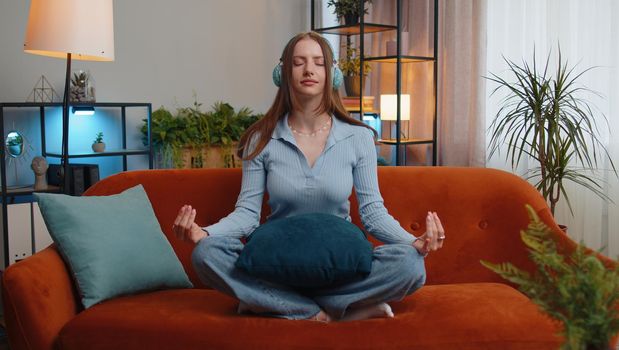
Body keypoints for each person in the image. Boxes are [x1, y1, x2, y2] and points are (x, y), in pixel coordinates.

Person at [172, 31, 445, 323]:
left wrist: (413, 242)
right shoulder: (260, 138)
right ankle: (320, 311)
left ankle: (277, 303)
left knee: (411, 266)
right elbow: (247, 215)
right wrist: (206, 233)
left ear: (332, 73)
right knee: (205, 254)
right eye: (298, 62)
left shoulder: (359, 137)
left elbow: (372, 214)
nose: (309, 70)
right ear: (283, 73)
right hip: (277, 264)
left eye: (318, 62)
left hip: (340, 264)